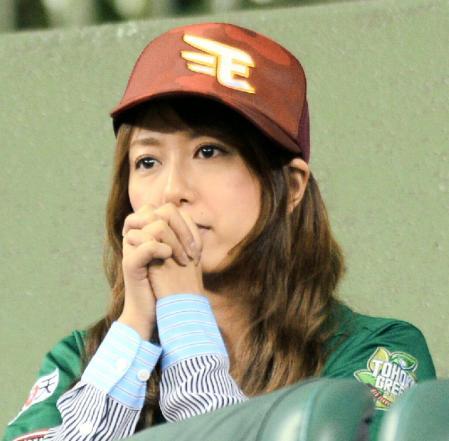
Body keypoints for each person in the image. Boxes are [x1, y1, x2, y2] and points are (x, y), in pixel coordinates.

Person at [3, 22, 436, 441]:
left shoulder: (372, 351)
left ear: (291, 186)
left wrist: (183, 313)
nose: (172, 191)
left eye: (209, 151)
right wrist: (133, 328)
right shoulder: (80, 359)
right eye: (148, 161)